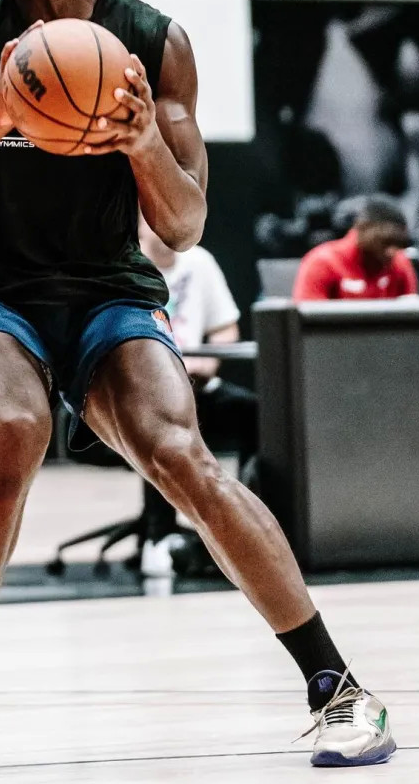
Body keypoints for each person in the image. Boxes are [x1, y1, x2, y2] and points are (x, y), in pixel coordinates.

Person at [0, 0, 395, 774]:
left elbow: (182, 224)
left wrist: (142, 142)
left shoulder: (152, 42)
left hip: (106, 286)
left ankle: (337, 687)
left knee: (184, 455)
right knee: (15, 425)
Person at [137, 214, 259, 576]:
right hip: (141, 391)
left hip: (196, 385)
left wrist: (205, 365)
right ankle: (159, 537)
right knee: (158, 427)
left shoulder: (201, 262)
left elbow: (226, 328)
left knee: (255, 413)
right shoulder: (124, 265)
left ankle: (248, 522)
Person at [293, 195, 416, 301]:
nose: (392, 252)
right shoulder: (323, 263)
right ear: (362, 230)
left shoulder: (400, 262)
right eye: (385, 242)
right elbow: (308, 318)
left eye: (399, 244)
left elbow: (411, 315)